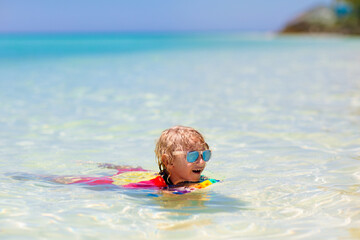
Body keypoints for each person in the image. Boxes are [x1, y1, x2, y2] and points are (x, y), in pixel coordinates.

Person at [56, 125, 218, 194]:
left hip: (150, 175)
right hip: (135, 181)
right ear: (168, 161)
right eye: (192, 156)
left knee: (137, 170)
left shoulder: (203, 180)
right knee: (88, 181)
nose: (201, 162)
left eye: (205, 155)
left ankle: (114, 166)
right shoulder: (154, 185)